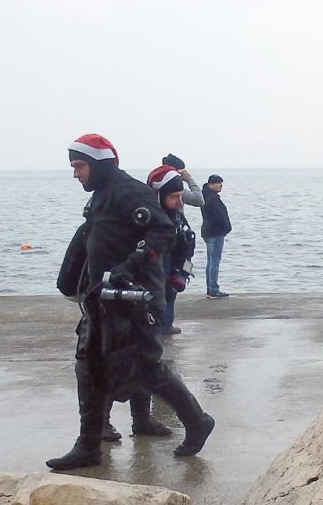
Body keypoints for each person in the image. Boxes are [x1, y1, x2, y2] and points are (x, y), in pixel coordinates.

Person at [47, 134, 215, 471]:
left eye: (79, 166)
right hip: (100, 299)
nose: (76, 173)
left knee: (146, 369)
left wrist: (129, 267)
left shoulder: (129, 192)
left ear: (97, 164)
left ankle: (197, 421)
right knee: (89, 366)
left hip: (131, 301)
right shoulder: (102, 196)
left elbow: (163, 232)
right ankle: (88, 445)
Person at [148, 165, 198, 333]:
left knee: (171, 291)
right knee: (162, 294)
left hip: (172, 261)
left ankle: (166, 325)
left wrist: (183, 272)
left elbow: (188, 246)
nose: (180, 202)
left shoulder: (176, 217)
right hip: (158, 264)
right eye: (174, 197)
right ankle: (159, 326)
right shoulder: (148, 222)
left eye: (180, 196)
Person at [201, 174, 231, 299]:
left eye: (221, 183)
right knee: (214, 261)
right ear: (211, 184)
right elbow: (219, 217)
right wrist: (227, 228)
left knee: (211, 261)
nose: (221, 185)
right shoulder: (213, 199)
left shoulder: (206, 197)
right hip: (215, 233)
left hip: (208, 232)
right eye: (218, 183)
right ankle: (213, 289)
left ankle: (211, 288)